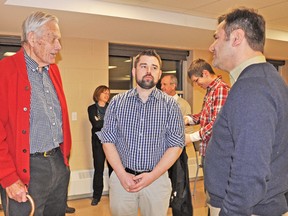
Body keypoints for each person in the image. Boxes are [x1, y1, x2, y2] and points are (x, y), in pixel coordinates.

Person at [205, 7, 288, 216]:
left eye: (217, 38)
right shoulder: (266, 79)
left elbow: (250, 172)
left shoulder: (253, 88)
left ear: (236, 38)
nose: (211, 46)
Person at [96, 49, 185, 216]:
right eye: (143, 66)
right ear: (134, 71)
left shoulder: (171, 106)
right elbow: (107, 141)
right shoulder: (116, 103)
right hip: (123, 179)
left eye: (154, 67)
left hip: (157, 181)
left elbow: (176, 146)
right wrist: (122, 175)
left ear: (159, 74)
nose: (149, 71)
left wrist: (151, 176)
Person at [0, 11, 72, 215]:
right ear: (32, 38)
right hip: (25, 170)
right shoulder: (4, 71)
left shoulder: (53, 71)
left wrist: (63, 163)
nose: (59, 46)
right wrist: (8, 177)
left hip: (58, 163)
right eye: (53, 38)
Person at [184, 59, 230, 167]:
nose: (196, 84)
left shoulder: (221, 89)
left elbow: (217, 123)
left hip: (217, 153)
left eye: (196, 80)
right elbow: (204, 115)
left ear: (205, 73)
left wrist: (192, 137)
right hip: (208, 151)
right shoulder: (211, 90)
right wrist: (188, 119)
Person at [88, 85, 113, 206]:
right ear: (98, 94)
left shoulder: (111, 107)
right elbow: (96, 124)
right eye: (104, 93)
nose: (107, 95)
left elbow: (115, 124)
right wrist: (107, 121)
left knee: (113, 169)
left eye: (108, 93)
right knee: (99, 169)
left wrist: (101, 121)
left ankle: (114, 194)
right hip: (98, 143)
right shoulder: (92, 108)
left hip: (112, 143)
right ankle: (96, 196)